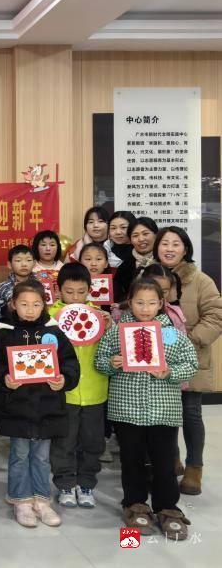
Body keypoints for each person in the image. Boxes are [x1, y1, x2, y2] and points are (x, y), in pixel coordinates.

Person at [95, 278, 198, 540]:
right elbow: (100, 361)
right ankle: (135, 503)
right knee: (131, 460)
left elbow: (190, 363)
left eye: (152, 303)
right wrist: (112, 362)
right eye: (139, 302)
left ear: (161, 303)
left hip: (163, 410)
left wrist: (170, 372)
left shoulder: (171, 332)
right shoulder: (117, 331)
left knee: (164, 460)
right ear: (130, 302)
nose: (145, 308)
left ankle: (167, 507)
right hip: (126, 409)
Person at [0, 282, 80, 528]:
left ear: (44, 305)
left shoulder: (55, 332)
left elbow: (70, 362)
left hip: (48, 407)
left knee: (41, 457)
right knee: (19, 455)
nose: (30, 310)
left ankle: (42, 499)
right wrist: (4, 379)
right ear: (13, 304)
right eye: (24, 304)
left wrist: (64, 380)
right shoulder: (3, 333)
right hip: (16, 407)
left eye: (36, 304)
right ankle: (21, 499)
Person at [155, 226, 222, 495]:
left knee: (191, 413)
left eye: (176, 244)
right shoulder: (150, 276)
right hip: (158, 360)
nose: (169, 248)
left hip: (191, 357)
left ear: (185, 249)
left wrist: (189, 341)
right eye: (165, 243)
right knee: (164, 415)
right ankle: (172, 461)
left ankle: (195, 467)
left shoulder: (201, 280)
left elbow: (215, 315)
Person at [48, 264, 110, 509]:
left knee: (93, 442)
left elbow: (113, 348)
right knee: (64, 442)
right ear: (58, 290)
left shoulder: (99, 316)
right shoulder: (51, 317)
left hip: (95, 390)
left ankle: (86, 484)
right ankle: (65, 483)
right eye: (69, 291)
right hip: (65, 393)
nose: (75, 297)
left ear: (90, 290)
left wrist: (109, 327)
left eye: (81, 292)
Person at [113, 217, 159, 303]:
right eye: (135, 235)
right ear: (130, 240)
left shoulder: (164, 261)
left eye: (145, 234)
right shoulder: (124, 267)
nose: (141, 239)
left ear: (156, 235)